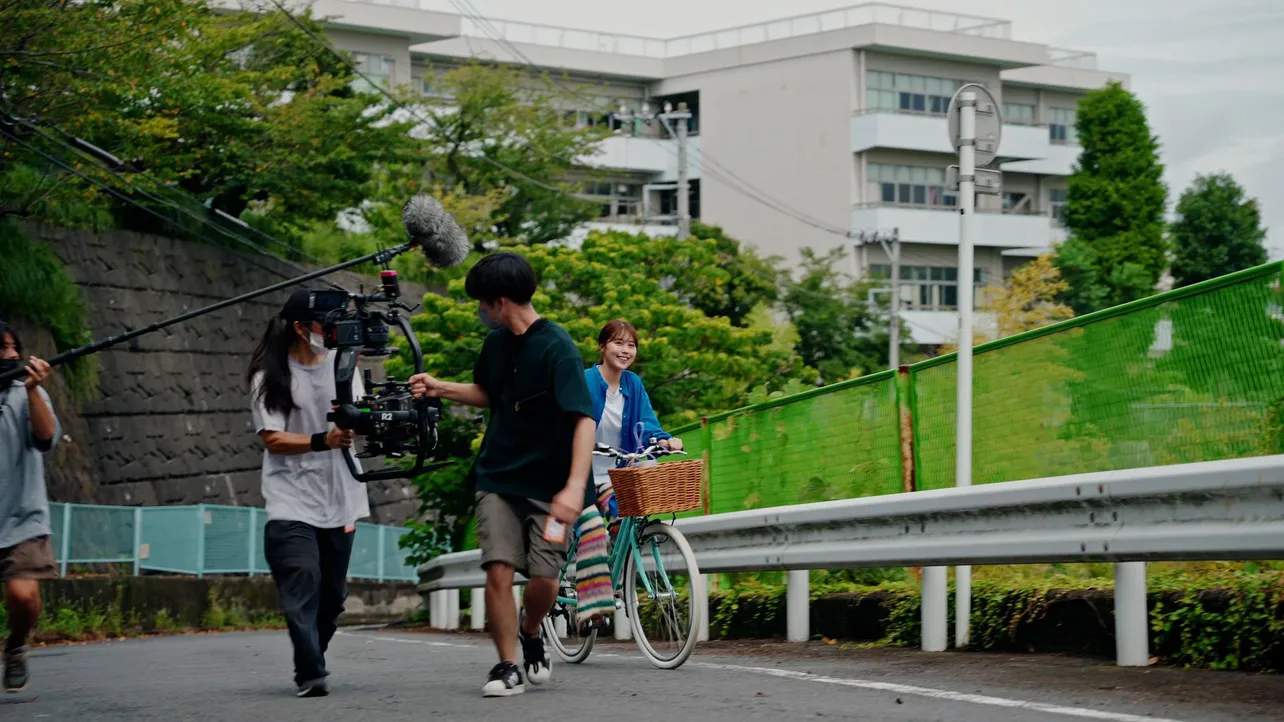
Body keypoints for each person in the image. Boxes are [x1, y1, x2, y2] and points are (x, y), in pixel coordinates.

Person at [409, 252, 593, 698]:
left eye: (482, 304)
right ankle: (506, 665)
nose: (480, 312)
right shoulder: (495, 345)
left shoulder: (557, 347)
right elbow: (490, 393)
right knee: (497, 569)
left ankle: (532, 631)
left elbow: (583, 419)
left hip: (550, 486)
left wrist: (573, 485)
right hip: (497, 477)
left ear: (501, 301)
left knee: (545, 578)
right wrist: (440, 387)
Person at [246, 290, 368, 698]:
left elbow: (362, 417)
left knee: (332, 598)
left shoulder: (344, 365)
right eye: (327, 321)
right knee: (304, 578)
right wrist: (322, 440)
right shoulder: (271, 374)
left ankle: (311, 655)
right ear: (301, 327)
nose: (335, 329)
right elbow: (273, 439)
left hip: (342, 495)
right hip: (290, 498)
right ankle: (311, 670)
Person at [571, 320, 683, 631]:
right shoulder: (585, 381)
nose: (625, 350)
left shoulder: (633, 384)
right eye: (618, 343)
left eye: (631, 345)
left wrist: (664, 440)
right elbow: (567, 420)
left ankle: (614, 579)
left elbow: (647, 425)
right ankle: (592, 603)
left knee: (626, 514)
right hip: (580, 475)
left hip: (614, 474)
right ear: (602, 347)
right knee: (592, 530)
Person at [0, 319, 57, 694]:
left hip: (22, 517)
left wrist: (35, 391)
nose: (12, 354)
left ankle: (17, 644)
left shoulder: (25, 392)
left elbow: (46, 436)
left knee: (24, 596)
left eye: (13, 347)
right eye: (2, 349)